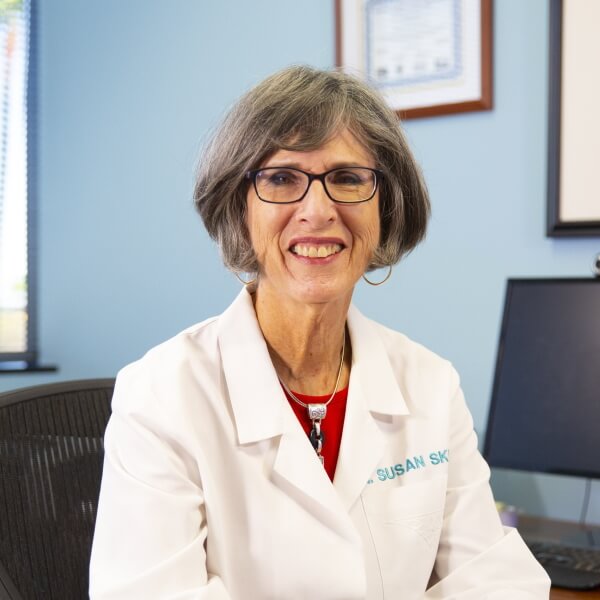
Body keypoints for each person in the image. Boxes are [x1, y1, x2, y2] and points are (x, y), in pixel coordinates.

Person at [89, 65, 550, 599]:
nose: (318, 210)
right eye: (282, 178)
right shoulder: (162, 394)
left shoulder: (429, 384)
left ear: (386, 206)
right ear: (240, 208)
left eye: (348, 178)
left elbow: (494, 579)